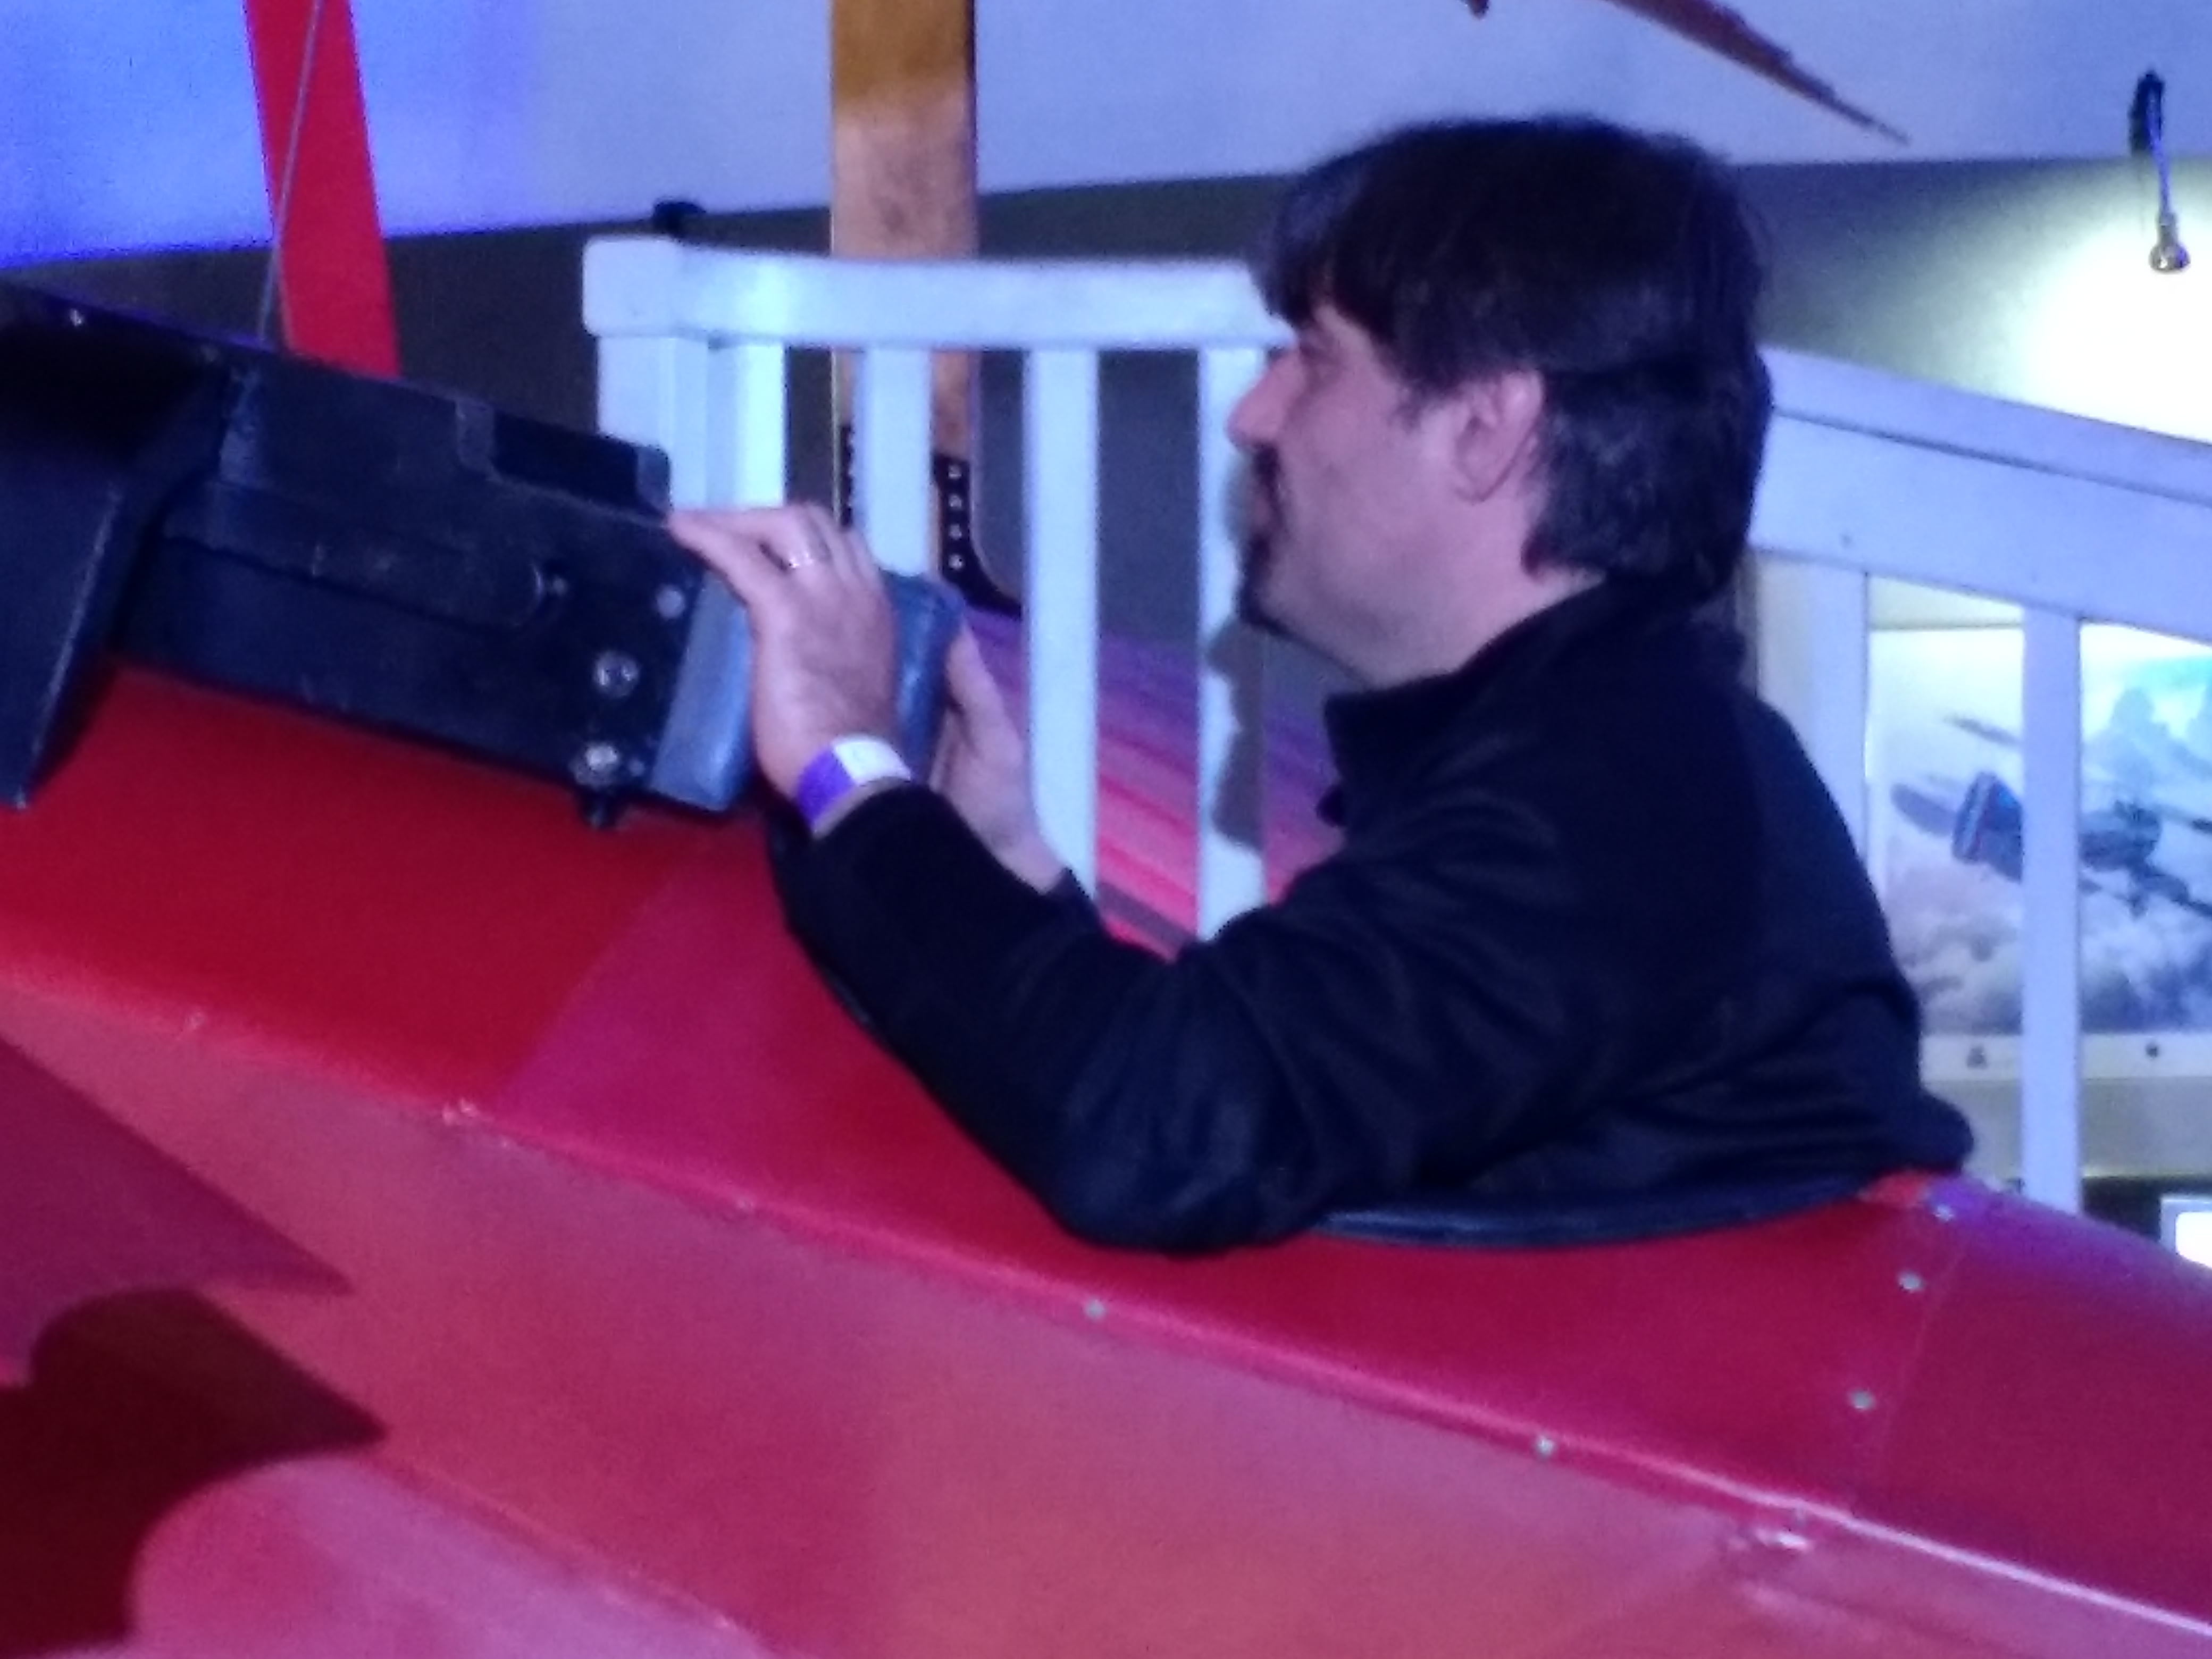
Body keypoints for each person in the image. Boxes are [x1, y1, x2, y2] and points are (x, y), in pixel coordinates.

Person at [668, 115, 1973, 1255]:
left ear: (1486, 429)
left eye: (1312, 355)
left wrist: (847, 768)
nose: (1253, 416)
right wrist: (1000, 866)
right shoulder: (1612, 758)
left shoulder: (1616, 803)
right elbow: (1261, 1101)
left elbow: (1158, 1138)